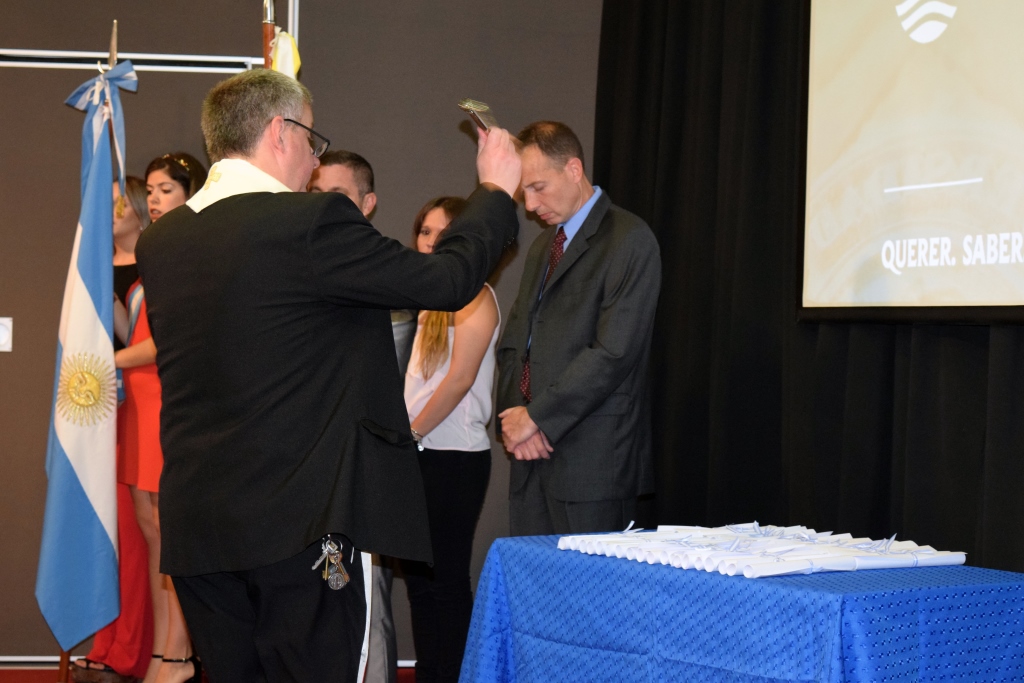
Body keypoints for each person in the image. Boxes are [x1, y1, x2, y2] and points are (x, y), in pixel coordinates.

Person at [133, 68, 520, 682]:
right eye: (313, 142)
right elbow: (447, 282)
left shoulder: (164, 242)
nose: (314, 163)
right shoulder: (308, 224)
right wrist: (495, 193)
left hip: (199, 523)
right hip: (299, 526)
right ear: (280, 133)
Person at [495, 120, 661, 537]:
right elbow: (516, 340)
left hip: (593, 464)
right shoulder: (542, 246)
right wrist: (517, 417)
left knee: (591, 601)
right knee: (537, 596)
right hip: (532, 455)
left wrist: (537, 417)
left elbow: (613, 353)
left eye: (538, 187)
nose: (530, 206)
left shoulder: (629, 239)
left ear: (573, 170)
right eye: (523, 192)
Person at [310, 148, 401, 683]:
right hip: (308, 481)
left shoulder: (382, 270)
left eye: (338, 197)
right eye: (316, 195)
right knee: (320, 603)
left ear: (367, 204)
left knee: (361, 598)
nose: (323, 208)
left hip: (360, 474)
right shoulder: (298, 266)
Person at [401, 196, 498, 683]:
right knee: (419, 582)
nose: (432, 242)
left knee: (446, 579)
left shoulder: (476, 296)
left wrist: (410, 432)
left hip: (455, 458)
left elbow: (458, 380)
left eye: (444, 233)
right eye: (425, 232)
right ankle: (430, 673)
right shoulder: (427, 300)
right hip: (419, 455)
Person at [119, 152, 207, 683]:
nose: (152, 198)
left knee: (170, 534)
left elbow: (165, 340)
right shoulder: (154, 251)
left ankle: (180, 654)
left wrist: (108, 360)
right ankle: (160, 649)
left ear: (189, 193)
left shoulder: (190, 252)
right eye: (149, 189)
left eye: (165, 189)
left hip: (169, 399)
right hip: (137, 401)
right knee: (152, 535)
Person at [73, 177, 154, 683]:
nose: (109, 210)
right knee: (116, 535)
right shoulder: (101, 268)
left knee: (145, 538)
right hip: (112, 409)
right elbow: (124, 331)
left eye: (115, 201)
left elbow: (156, 345)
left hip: (150, 408)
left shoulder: (161, 263)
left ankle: (134, 652)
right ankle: (112, 643)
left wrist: (109, 360)